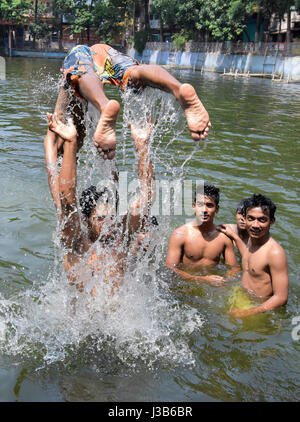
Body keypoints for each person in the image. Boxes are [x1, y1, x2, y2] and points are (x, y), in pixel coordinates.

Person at [44, 113, 155, 294]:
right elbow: (66, 200)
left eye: (111, 217)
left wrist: (142, 148)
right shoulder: (76, 240)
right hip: (81, 321)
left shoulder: (122, 239)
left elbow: (147, 200)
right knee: (64, 207)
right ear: (86, 221)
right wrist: (71, 143)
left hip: (116, 319)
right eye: (101, 218)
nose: (109, 223)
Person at [47, 43, 211, 161]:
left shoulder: (57, 137)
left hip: (80, 56)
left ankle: (104, 106)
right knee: (133, 74)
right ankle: (178, 88)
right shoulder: (83, 132)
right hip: (102, 51)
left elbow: (60, 188)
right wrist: (138, 146)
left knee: (80, 73)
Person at [226, 194, 289, 318]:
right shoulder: (251, 240)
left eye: (262, 219)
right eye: (251, 218)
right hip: (242, 297)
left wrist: (246, 313)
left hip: (257, 310)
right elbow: (252, 261)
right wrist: (235, 237)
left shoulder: (275, 253)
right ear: (244, 218)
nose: (255, 225)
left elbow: (281, 298)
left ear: (272, 221)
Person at [165, 183, 240, 285]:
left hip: (210, 286)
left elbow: (234, 268)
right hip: (185, 285)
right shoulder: (180, 235)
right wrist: (202, 279)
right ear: (194, 206)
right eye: (200, 204)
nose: (204, 210)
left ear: (217, 209)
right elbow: (170, 268)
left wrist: (226, 281)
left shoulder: (223, 237)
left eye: (209, 205)